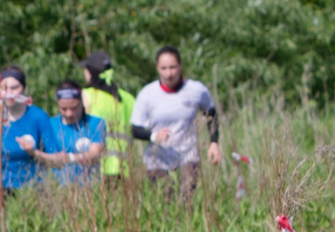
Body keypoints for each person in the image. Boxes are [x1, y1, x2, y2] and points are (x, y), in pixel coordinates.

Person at [129, 45, 222, 185]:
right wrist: (154, 136)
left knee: (186, 196)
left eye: (172, 67)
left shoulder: (196, 90)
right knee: (166, 197)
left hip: (188, 158)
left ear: (180, 66)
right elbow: (134, 129)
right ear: (157, 68)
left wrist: (214, 143)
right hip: (157, 162)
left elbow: (211, 115)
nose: (169, 74)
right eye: (163, 68)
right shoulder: (147, 94)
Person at [0, 67, 55, 194]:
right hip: (1, 188)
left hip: (33, 190)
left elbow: (56, 159)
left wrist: (34, 153)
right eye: (4, 88)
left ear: (24, 88)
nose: (9, 93)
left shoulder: (38, 117)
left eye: (14, 88)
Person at [80, 51, 139, 177]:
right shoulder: (127, 98)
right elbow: (136, 130)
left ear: (90, 72)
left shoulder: (87, 95)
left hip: (97, 165)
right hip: (124, 167)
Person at [38, 83, 110, 181]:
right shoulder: (49, 124)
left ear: (81, 103)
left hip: (88, 186)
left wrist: (70, 158)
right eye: (64, 109)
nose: (69, 113)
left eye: (74, 108)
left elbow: (95, 154)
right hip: (57, 186)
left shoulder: (95, 123)